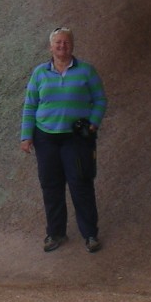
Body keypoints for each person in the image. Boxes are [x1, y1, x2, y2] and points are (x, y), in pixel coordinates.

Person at [20, 26, 106, 253]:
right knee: (51, 186)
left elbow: (100, 100)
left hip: (76, 138)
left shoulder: (86, 71)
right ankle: (55, 233)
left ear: (72, 45)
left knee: (81, 184)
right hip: (45, 138)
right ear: (51, 47)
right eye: (58, 42)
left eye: (66, 42)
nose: (62, 46)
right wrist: (26, 136)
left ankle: (90, 234)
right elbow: (30, 105)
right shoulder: (40, 73)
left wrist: (93, 123)